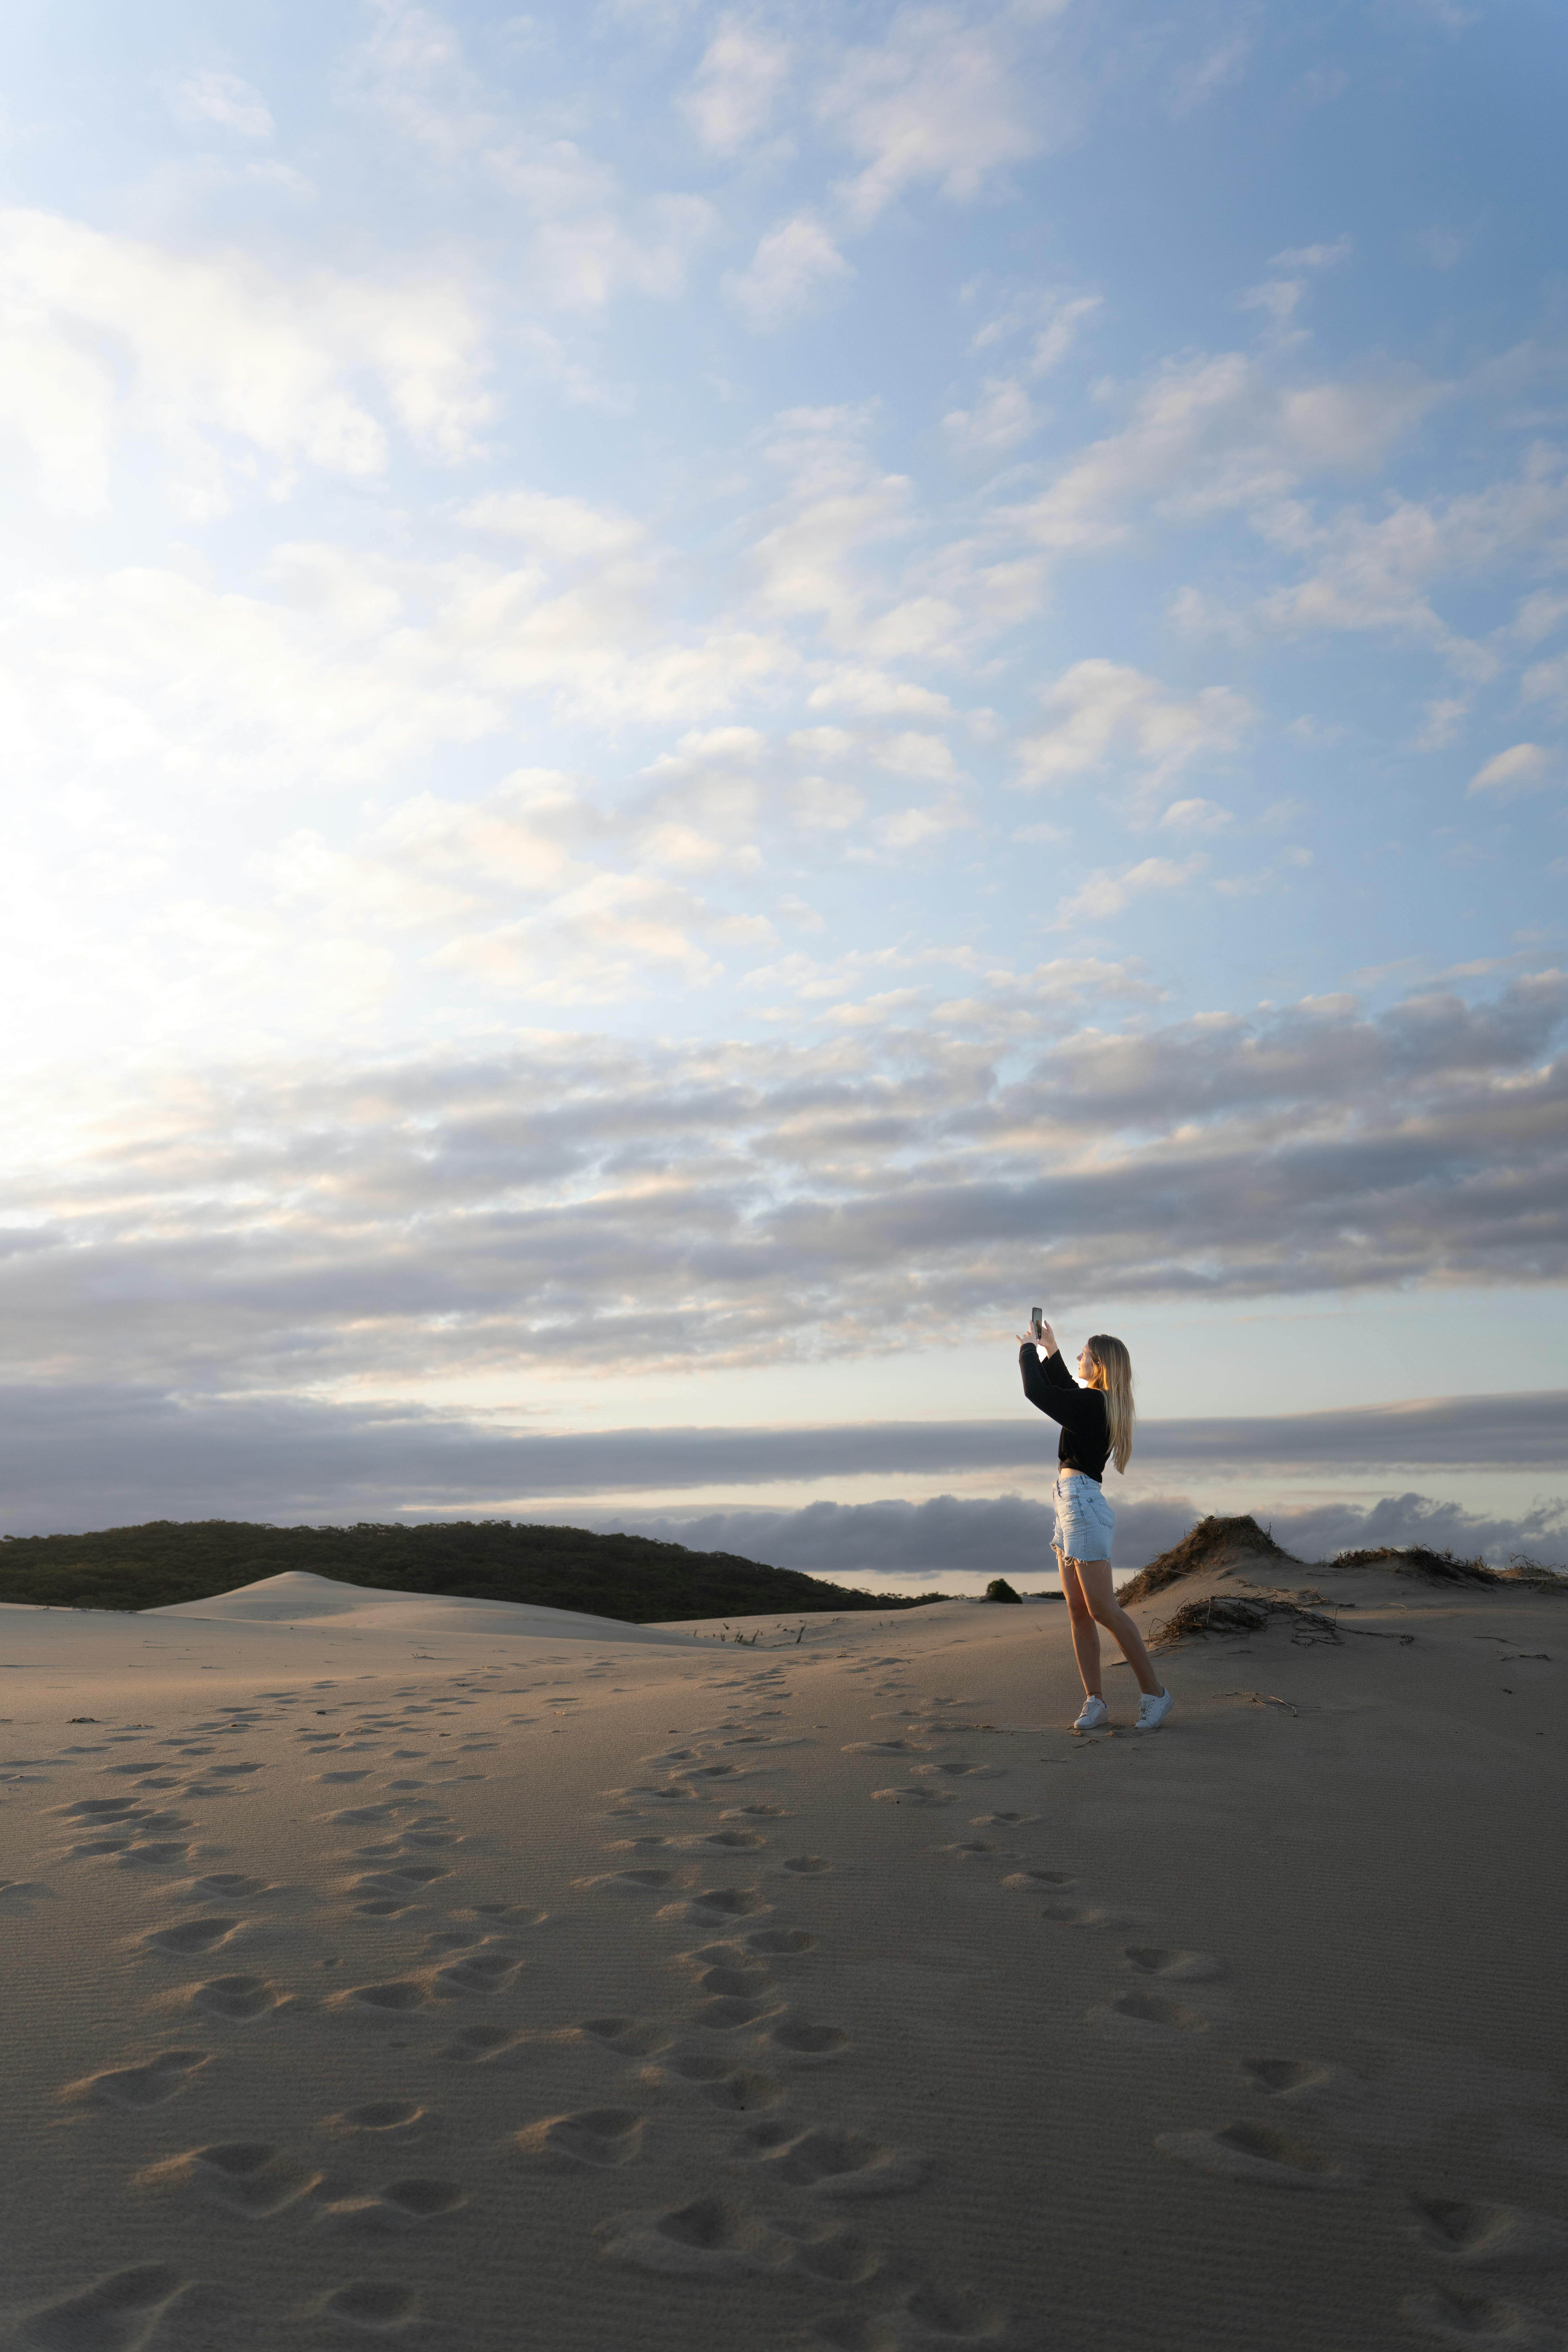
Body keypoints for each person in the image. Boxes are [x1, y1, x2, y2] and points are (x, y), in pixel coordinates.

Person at [1016, 1316, 1173, 1734]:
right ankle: (1095, 1701)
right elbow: (1064, 1389)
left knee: (1103, 1608)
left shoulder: (1095, 1405)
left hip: (1083, 1506)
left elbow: (1038, 1391)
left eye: (1085, 1355)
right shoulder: (1094, 1402)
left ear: (1100, 1364)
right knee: (1078, 1610)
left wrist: (1027, 1350)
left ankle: (1155, 1694)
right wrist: (1050, 1350)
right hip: (1069, 1504)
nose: (1080, 1358)